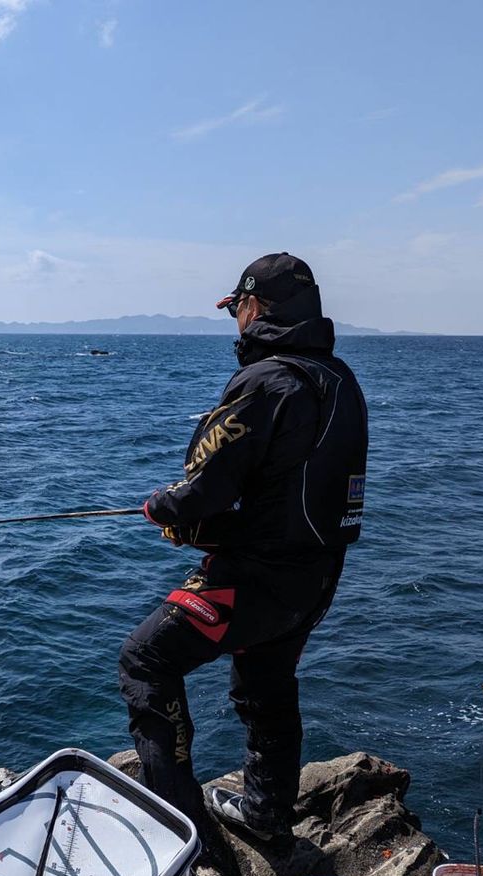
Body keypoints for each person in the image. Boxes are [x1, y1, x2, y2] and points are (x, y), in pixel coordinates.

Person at [117, 252, 368, 845]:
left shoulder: (267, 380)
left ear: (253, 307)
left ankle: (178, 827)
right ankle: (266, 817)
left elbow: (206, 488)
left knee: (145, 661)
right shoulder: (340, 380)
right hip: (317, 578)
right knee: (267, 686)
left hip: (258, 577)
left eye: (236, 308)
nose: (235, 319)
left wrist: (161, 507)